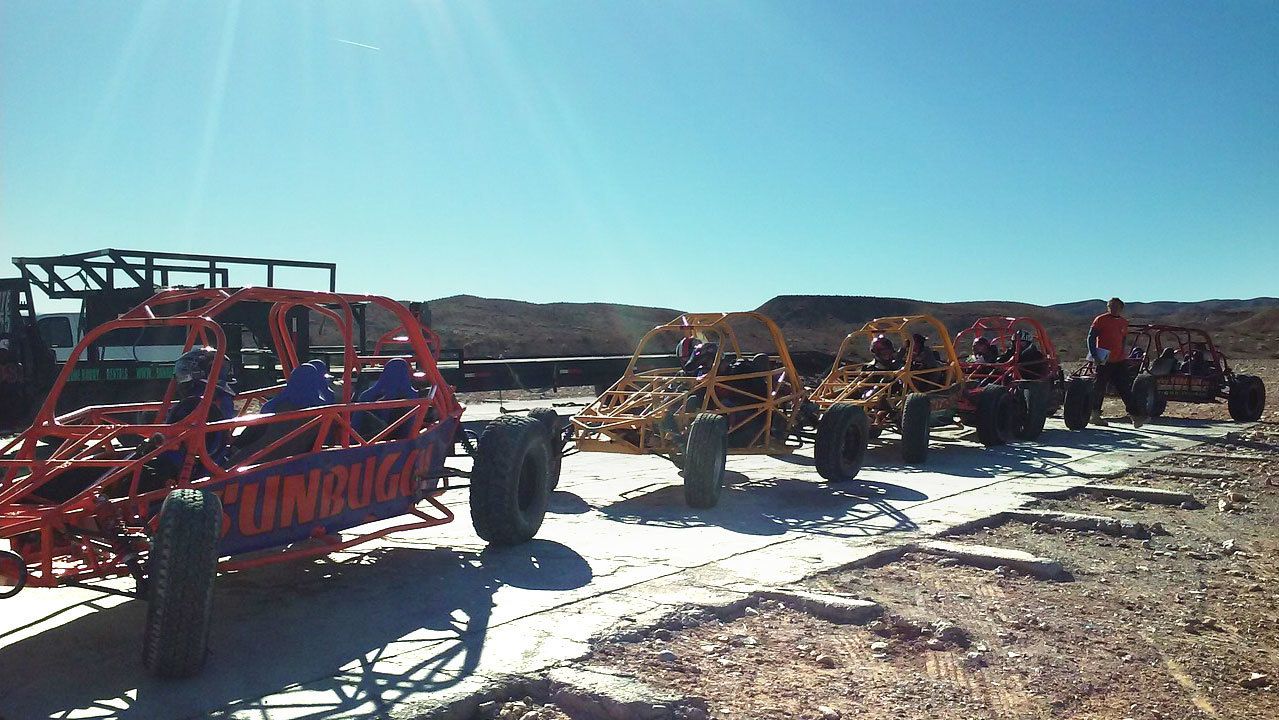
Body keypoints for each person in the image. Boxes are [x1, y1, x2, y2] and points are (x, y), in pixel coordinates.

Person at [1087, 298, 1144, 427]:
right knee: (1099, 387)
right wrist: (1094, 354)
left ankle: (1135, 416)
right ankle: (1095, 414)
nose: (1113, 308)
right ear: (1108, 307)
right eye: (1111, 306)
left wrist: (1123, 353)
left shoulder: (1124, 322)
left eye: (1116, 306)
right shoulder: (1100, 320)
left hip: (1119, 359)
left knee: (1125, 388)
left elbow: (1123, 339)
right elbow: (1091, 338)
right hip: (1104, 359)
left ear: (1121, 308)